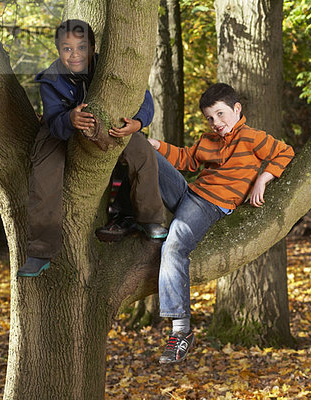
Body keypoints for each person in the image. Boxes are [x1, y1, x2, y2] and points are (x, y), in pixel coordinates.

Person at [148, 83, 295, 363]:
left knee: (173, 247)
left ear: (237, 109)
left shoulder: (252, 138)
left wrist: (263, 179)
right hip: (188, 193)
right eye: (210, 118)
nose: (216, 123)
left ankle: (181, 331)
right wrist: (154, 145)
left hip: (210, 205)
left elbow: (285, 152)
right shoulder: (208, 140)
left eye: (221, 114)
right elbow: (187, 160)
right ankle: (129, 217)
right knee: (143, 153)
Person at [18, 19, 167, 277]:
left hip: (110, 124)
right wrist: (69, 119)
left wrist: (139, 122)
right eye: (67, 49)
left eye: (81, 47)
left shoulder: (110, 68)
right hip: (58, 130)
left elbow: (143, 96)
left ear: (94, 46)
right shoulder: (51, 80)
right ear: (58, 50)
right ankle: (40, 250)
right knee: (44, 176)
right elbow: (53, 121)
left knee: (142, 152)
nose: (74, 55)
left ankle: (149, 219)